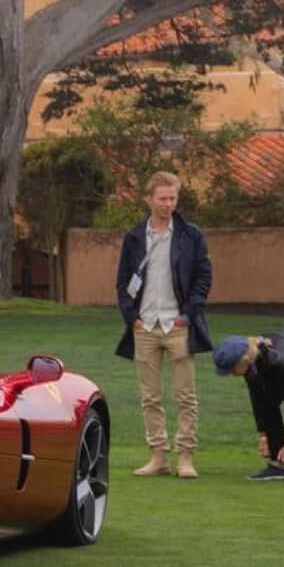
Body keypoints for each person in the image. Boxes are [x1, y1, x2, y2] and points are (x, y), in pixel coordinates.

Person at [114, 171, 212, 479]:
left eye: (173, 198)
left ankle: (186, 457)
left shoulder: (191, 235)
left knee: (186, 395)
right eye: (162, 198)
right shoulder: (133, 237)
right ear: (149, 199)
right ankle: (158, 457)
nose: (169, 204)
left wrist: (189, 313)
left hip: (179, 325)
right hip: (145, 326)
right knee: (150, 397)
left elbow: (203, 276)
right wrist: (133, 319)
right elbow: (122, 283)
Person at [213, 330, 284, 481]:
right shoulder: (251, 365)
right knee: (268, 404)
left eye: (231, 368)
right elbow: (258, 399)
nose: (231, 373)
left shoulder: (277, 360)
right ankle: (278, 465)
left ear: (243, 360)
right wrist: (263, 434)